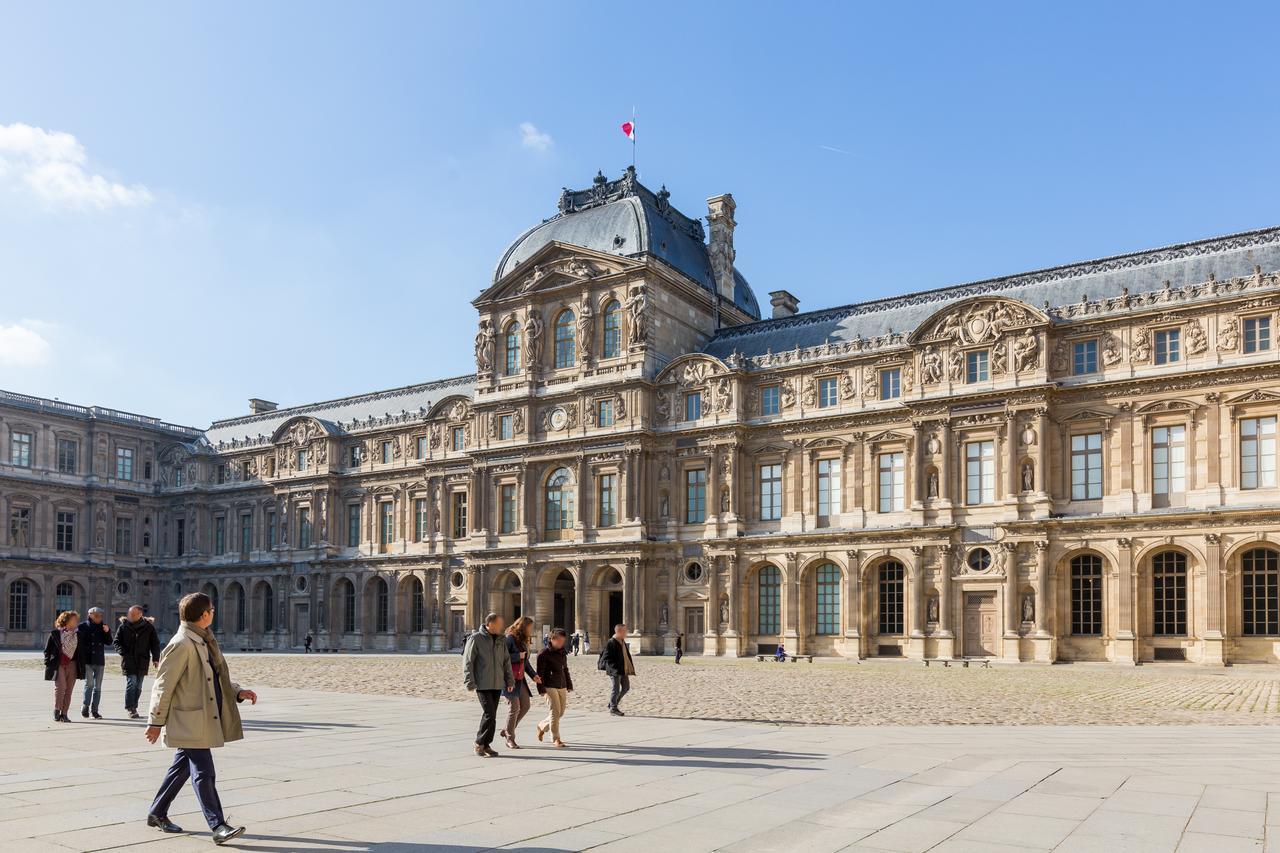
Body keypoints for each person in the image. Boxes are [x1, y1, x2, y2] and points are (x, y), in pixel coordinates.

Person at [144, 592, 258, 845]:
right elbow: (163, 686)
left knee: (181, 767)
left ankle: (157, 812)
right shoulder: (181, 643)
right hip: (191, 719)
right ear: (204, 615)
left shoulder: (203, 639)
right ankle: (217, 825)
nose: (213, 613)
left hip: (204, 715)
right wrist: (155, 722)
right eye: (212, 610)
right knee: (203, 771)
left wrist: (237, 691)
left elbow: (214, 676)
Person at [462, 612, 514, 757]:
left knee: (492, 715)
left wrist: (509, 680)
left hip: (497, 683)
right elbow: (468, 661)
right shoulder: (476, 638)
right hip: (482, 682)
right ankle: (479, 742)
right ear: (490, 624)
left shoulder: (501, 640)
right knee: (489, 713)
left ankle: (486, 744)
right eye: (499, 624)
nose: (501, 627)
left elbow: (506, 661)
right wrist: (469, 681)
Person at [499, 616, 540, 750]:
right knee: (514, 707)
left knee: (526, 705)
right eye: (530, 627)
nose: (531, 630)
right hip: (508, 679)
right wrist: (517, 656)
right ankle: (510, 738)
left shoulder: (522, 641)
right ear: (523, 627)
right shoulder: (509, 638)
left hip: (519, 678)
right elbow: (501, 657)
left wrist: (533, 675)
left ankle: (506, 729)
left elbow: (525, 662)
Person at [115, 606, 161, 719]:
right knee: (132, 683)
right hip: (128, 660)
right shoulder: (123, 626)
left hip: (142, 660)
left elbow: (154, 644)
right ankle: (130, 708)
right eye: (129, 614)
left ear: (140, 614)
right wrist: (123, 652)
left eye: (133, 614)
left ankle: (134, 706)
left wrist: (156, 658)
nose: (130, 616)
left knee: (139, 686)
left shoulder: (148, 627)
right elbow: (116, 642)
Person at [535, 628, 573, 747]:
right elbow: (539, 673)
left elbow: (565, 669)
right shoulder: (543, 654)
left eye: (563, 641)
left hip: (561, 684)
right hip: (549, 686)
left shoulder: (562, 652)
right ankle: (556, 738)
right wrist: (541, 689)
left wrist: (569, 684)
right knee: (555, 712)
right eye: (559, 641)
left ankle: (542, 725)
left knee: (560, 712)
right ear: (552, 639)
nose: (562, 643)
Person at [44, 610, 84, 723]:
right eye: (74, 619)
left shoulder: (78, 634)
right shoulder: (55, 633)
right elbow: (47, 651)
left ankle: (64, 714)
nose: (76, 622)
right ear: (66, 621)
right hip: (59, 664)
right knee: (61, 687)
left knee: (69, 690)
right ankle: (57, 709)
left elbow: (82, 652)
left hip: (73, 664)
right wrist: (49, 663)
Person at [77, 607, 112, 719]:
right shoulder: (82, 626)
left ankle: (95, 710)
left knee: (98, 687)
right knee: (90, 684)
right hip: (87, 660)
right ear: (90, 615)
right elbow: (79, 643)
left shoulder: (103, 627)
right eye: (97, 615)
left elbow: (109, 642)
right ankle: (85, 706)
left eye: (101, 616)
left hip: (99, 660)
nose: (99, 618)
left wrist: (107, 632)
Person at [602, 624, 635, 717]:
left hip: (623, 669)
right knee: (615, 689)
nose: (626, 633)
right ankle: (613, 708)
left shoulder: (622, 641)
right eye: (625, 631)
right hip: (615, 670)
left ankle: (613, 703)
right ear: (619, 631)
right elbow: (606, 657)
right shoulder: (611, 642)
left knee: (626, 687)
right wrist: (614, 668)